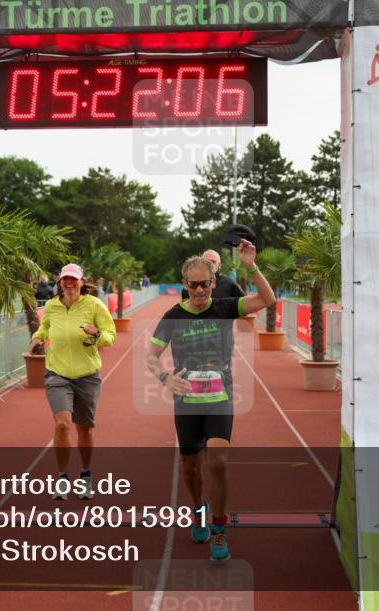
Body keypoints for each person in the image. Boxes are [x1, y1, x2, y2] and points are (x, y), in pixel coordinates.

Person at [146, 239, 275, 560]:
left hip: (221, 397)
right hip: (187, 402)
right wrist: (165, 378)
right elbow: (151, 356)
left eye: (205, 284)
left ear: (213, 283)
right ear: (185, 285)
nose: (201, 290)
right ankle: (198, 509)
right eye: (194, 285)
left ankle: (219, 527)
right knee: (191, 467)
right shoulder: (172, 316)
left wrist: (251, 267)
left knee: (217, 462)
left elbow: (268, 299)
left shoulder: (225, 306)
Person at [29, 263, 117, 500]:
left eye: (73, 279)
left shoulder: (94, 305)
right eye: (65, 279)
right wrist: (38, 338)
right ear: (59, 282)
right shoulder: (51, 306)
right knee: (62, 424)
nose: (69, 283)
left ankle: (86, 474)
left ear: (81, 281)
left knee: (84, 428)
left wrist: (97, 334)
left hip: (87, 376)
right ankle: (62, 478)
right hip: (57, 373)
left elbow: (111, 335)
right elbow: (45, 327)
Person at [180, 250, 244, 300]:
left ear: (219, 265)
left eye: (213, 261)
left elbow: (244, 305)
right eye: (207, 261)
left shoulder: (229, 283)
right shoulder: (190, 284)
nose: (210, 264)